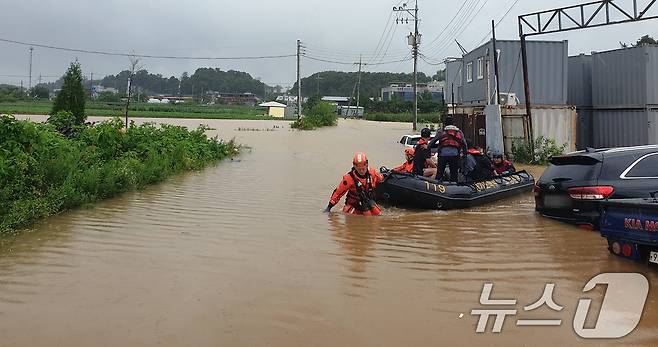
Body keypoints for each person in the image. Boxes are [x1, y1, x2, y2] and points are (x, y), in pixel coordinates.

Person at [432, 116, 467, 182]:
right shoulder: (459, 132)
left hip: (442, 156)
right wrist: (465, 156)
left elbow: (432, 142)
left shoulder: (441, 132)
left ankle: (436, 186)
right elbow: (464, 144)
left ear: (445, 124)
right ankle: (454, 187)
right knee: (454, 174)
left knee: (439, 174)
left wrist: (428, 150)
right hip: (455, 156)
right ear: (453, 124)